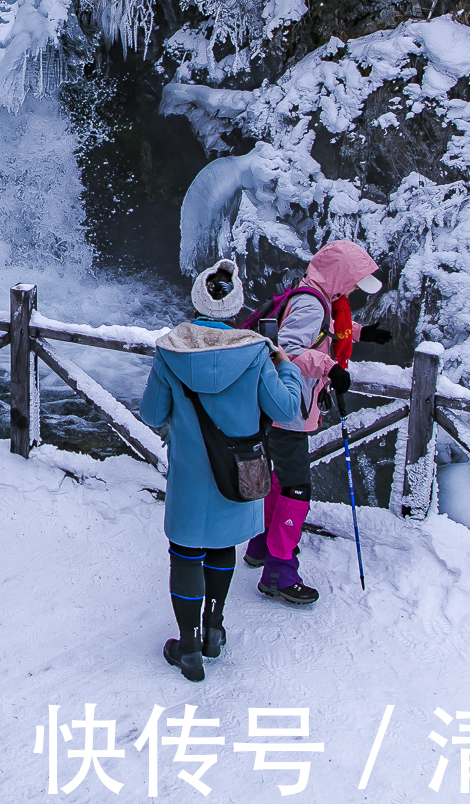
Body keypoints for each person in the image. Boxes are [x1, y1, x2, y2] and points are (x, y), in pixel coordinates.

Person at [139, 259, 305, 681]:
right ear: (235, 305)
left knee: (186, 553)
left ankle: (189, 648)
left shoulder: (170, 350)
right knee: (221, 549)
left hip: (192, 476)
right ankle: (214, 631)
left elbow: (152, 412)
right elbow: (287, 408)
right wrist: (286, 365)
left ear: (196, 297)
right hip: (238, 473)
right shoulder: (255, 353)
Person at [240, 240, 390, 606]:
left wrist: (360, 332)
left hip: (283, 407)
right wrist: (330, 368)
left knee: (280, 479)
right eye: (354, 281)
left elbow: (322, 331)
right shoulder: (312, 302)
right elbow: (286, 351)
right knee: (297, 489)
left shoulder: (316, 295)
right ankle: (278, 572)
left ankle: (260, 545)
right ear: (339, 275)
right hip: (290, 408)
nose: (355, 289)